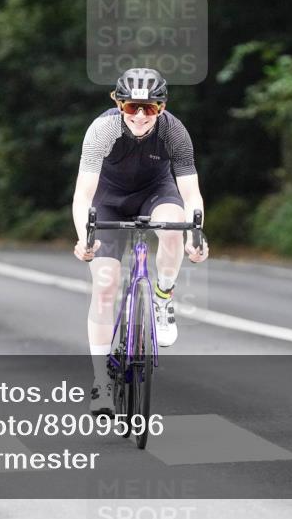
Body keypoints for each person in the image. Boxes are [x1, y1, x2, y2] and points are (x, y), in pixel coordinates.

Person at [71, 67, 209, 416]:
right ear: (119, 104)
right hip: (109, 200)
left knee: (175, 226)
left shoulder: (175, 132)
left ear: (162, 108)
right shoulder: (102, 130)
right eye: (133, 106)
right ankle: (101, 382)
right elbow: (83, 193)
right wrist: (82, 238)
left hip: (156, 193)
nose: (141, 115)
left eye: (152, 108)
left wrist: (197, 234)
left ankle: (162, 297)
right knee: (105, 285)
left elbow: (190, 193)